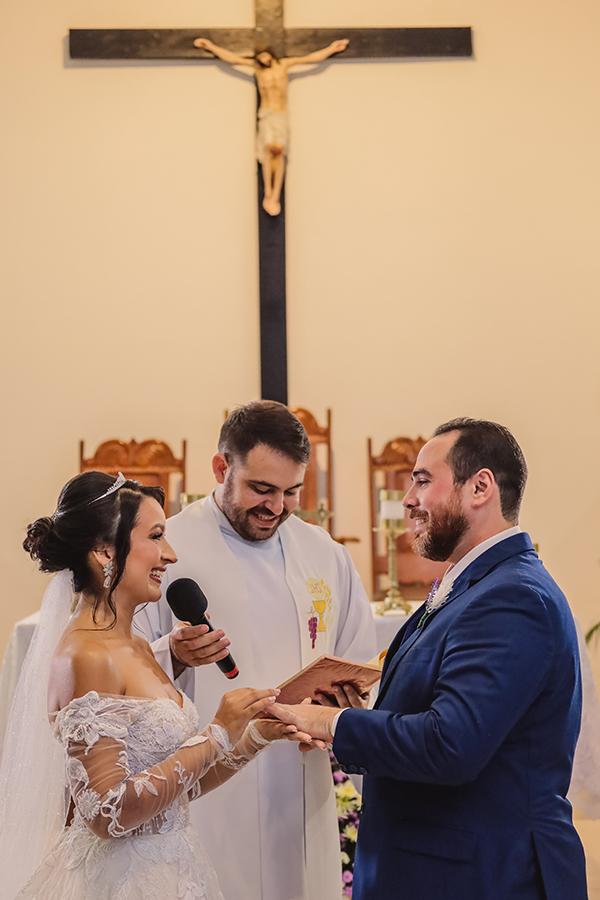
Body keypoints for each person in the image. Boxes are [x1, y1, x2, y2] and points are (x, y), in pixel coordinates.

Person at [266, 418, 588, 900]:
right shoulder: (471, 586)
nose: (408, 500)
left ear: (480, 486)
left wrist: (332, 724)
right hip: (435, 864)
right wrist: (355, 711)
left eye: (421, 480)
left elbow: (450, 745)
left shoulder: (513, 597)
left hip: (483, 874)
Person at [0, 471, 314, 900]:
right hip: (120, 881)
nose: (170, 554)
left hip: (174, 870)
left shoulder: (138, 645)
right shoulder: (86, 655)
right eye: (157, 536)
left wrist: (250, 737)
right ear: (104, 550)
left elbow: (173, 791)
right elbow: (106, 813)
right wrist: (216, 732)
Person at [136, 400, 377, 900]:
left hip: (299, 775)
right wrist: (176, 655)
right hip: (205, 778)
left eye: (291, 492)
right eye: (261, 489)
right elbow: (124, 665)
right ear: (221, 467)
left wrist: (333, 711)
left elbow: (357, 661)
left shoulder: (324, 553)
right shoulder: (164, 547)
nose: (276, 507)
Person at [193, 37, 349, 215]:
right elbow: (232, 59)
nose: (263, 60)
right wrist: (211, 46)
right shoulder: (258, 70)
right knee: (268, 151)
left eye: (265, 56)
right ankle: (267, 192)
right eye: (260, 58)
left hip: (280, 113)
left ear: (271, 54)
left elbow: (311, 58)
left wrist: (332, 49)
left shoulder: (284, 65)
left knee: (279, 152)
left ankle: (275, 194)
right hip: (266, 113)